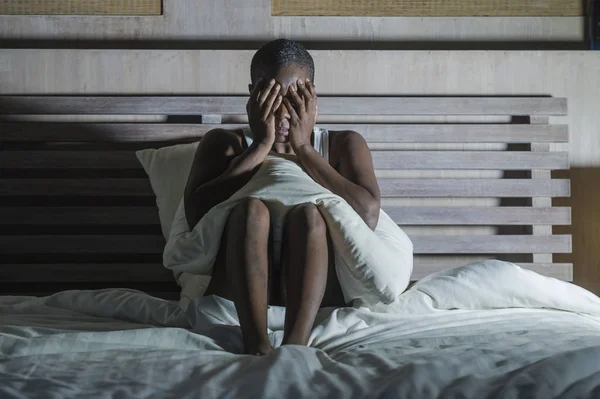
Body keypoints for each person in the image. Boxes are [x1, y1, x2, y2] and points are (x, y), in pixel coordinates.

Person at [183, 39, 381, 355]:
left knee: (308, 215)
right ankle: (256, 342)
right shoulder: (224, 143)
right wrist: (260, 145)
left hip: (319, 292)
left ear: (313, 97)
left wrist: (304, 148)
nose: (284, 112)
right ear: (253, 93)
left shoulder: (343, 144)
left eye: (296, 99)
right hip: (234, 291)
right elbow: (195, 215)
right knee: (250, 211)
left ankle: (295, 344)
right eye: (273, 97)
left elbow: (369, 215)